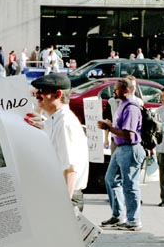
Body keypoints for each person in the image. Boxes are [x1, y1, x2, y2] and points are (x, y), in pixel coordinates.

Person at [25, 73, 89, 211]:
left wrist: (63, 209)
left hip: (67, 196)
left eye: (42, 92)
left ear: (58, 94)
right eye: (37, 91)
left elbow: (70, 170)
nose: (37, 95)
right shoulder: (55, 119)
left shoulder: (64, 123)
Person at [97, 78, 146, 231]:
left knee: (130, 185)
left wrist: (108, 128)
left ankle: (133, 220)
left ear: (126, 90)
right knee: (111, 179)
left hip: (130, 148)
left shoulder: (131, 107)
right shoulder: (121, 104)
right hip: (120, 148)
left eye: (117, 89)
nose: (114, 91)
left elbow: (129, 134)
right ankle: (118, 215)